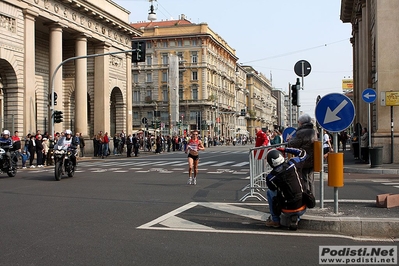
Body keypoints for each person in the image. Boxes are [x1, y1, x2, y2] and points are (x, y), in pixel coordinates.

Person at [265, 147, 308, 230]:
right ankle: (297, 218)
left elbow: (273, 189)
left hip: (286, 209)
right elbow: (303, 153)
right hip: (302, 206)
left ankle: (275, 220)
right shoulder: (293, 164)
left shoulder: (271, 177)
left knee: (270, 192)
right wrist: (285, 149)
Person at [288, 114, 316, 194]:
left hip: (304, 158)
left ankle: (306, 198)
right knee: (311, 180)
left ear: (301, 122)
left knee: (304, 179)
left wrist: (290, 140)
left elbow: (294, 144)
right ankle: (312, 197)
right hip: (313, 158)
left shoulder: (301, 132)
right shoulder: (313, 131)